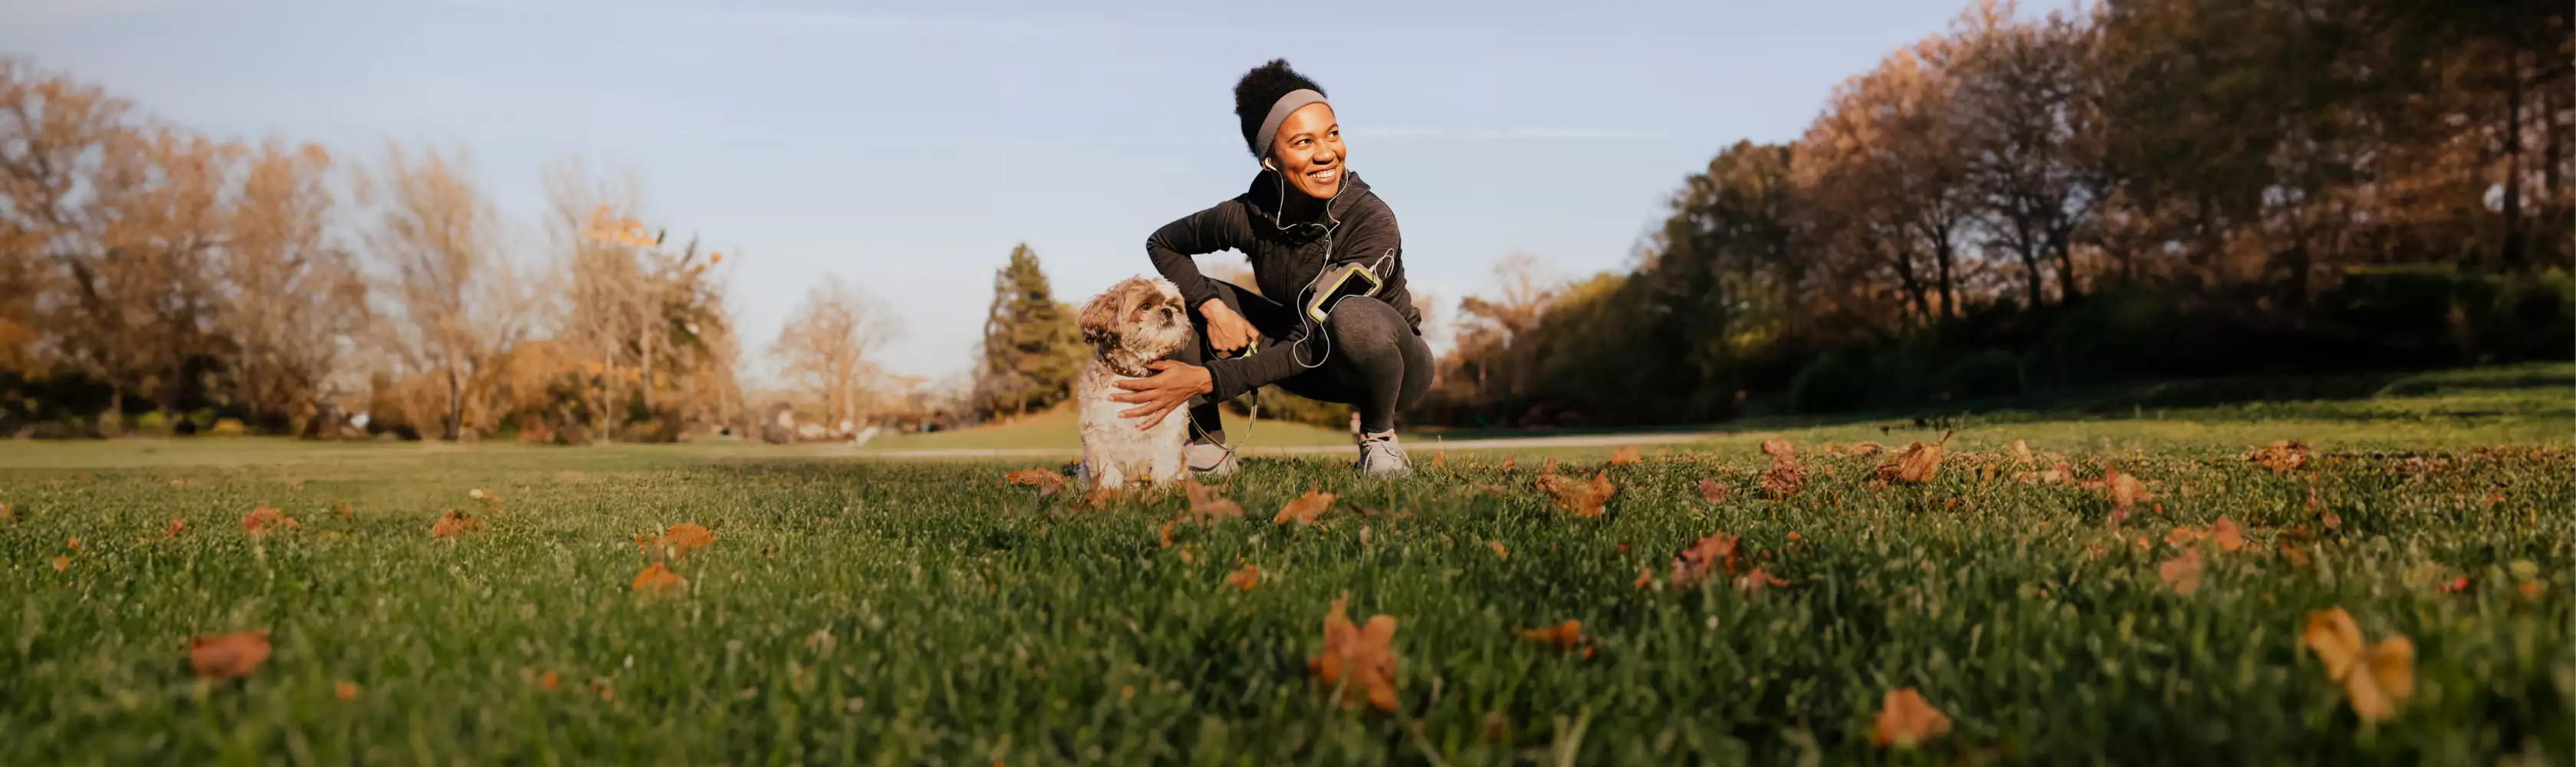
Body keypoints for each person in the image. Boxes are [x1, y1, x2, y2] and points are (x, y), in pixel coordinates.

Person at [1109, 59, 1431, 478]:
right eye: (1303, 142)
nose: (1326, 153)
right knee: (1186, 301)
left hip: (1390, 370)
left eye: (1333, 134)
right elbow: (1164, 244)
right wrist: (1212, 308)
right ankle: (1207, 448)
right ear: (1270, 161)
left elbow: (1313, 337)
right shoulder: (1248, 215)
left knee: (1355, 319)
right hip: (1302, 360)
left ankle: (1378, 440)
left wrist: (1206, 379)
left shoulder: (1372, 222)